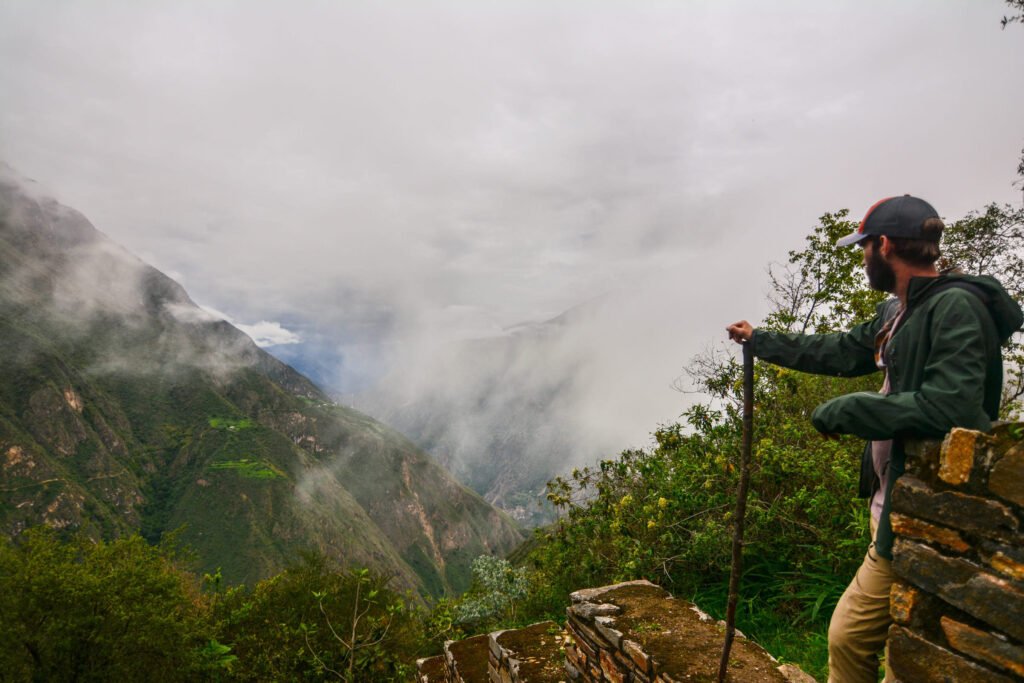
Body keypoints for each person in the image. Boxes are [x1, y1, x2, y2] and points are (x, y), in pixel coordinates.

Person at [726, 195, 1023, 683]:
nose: (862, 257)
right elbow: (841, 350)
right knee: (892, 642)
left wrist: (853, 409)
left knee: (851, 636)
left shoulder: (956, 308)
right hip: (895, 507)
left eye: (864, 246)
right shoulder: (898, 310)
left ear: (883, 245)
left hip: (920, 512)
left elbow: (956, 406)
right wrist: (761, 340)